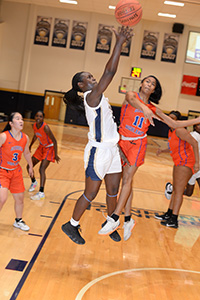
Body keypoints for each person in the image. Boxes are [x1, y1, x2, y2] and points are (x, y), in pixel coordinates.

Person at [98, 80, 200, 238]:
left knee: (127, 180)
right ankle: (128, 220)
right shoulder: (131, 95)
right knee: (125, 182)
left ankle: (115, 217)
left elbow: (174, 123)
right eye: (147, 81)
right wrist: (144, 108)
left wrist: (198, 119)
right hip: (122, 141)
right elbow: (132, 100)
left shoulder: (154, 109)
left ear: (153, 90)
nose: (149, 84)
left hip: (138, 143)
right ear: (141, 84)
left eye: (152, 84)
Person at [61, 26, 134, 245]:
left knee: (113, 190)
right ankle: (71, 224)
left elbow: (111, 127)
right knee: (91, 193)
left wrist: (119, 148)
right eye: (89, 78)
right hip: (98, 152)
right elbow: (110, 73)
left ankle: (111, 222)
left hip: (111, 149)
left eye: (93, 76)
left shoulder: (100, 98)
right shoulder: (91, 97)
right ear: (81, 86)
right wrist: (119, 43)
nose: (93, 79)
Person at [154, 110, 199, 228]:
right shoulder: (171, 131)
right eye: (169, 118)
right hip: (179, 162)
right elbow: (175, 147)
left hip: (186, 162)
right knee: (175, 190)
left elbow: (194, 144)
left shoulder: (180, 130)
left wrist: (197, 163)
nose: (170, 120)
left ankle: (174, 219)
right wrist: (163, 151)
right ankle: (169, 214)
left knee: (179, 192)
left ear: (177, 121)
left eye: (173, 119)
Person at [0, 112, 33, 231]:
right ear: (11, 123)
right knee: (2, 198)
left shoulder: (25, 138)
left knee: (20, 198)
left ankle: (18, 220)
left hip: (16, 172)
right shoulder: (3, 136)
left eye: (22, 119)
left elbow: (27, 153)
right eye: (18, 119)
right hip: (2, 171)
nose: (21, 121)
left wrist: (30, 166)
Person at [27, 111, 60, 200]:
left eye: (40, 116)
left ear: (43, 118)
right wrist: (30, 146)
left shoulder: (45, 128)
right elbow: (35, 136)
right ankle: (34, 182)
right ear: (35, 117)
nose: (38, 118)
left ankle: (41, 192)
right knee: (29, 166)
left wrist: (55, 155)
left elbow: (55, 141)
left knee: (42, 169)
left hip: (49, 148)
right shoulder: (34, 125)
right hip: (41, 147)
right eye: (37, 116)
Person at [163, 121, 200, 199]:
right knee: (184, 189)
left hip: (197, 167)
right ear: (194, 126)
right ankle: (172, 189)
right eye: (198, 125)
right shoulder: (193, 135)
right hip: (192, 165)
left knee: (188, 192)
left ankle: (172, 188)